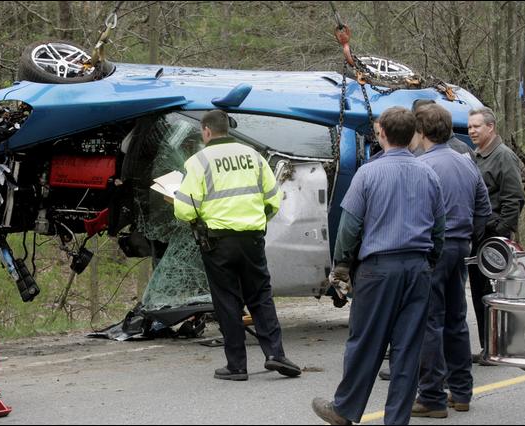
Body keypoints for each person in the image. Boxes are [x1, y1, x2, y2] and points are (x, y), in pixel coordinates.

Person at [312, 107, 445, 425]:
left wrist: (342, 263)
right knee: (407, 348)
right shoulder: (429, 174)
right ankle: (396, 420)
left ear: (381, 133)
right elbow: (439, 227)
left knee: (364, 342)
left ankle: (344, 409)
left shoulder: (368, 174)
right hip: (417, 269)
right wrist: (429, 260)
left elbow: (349, 226)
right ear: (413, 134)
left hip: (378, 269)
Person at [173, 109, 301, 381]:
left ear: (206, 131)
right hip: (252, 238)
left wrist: (195, 215)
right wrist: (256, 220)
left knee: (227, 301)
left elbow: (184, 210)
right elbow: (273, 201)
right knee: (261, 296)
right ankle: (276, 354)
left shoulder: (199, 161)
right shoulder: (253, 156)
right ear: (227, 130)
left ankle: (237, 365)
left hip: (217, 242)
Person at [408, 104, 491, 418]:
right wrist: (469, 235)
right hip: (460, 247)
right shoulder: (466, 162)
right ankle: (462, 391)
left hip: (432, 249)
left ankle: (431, 396)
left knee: (430, 321)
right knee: (456, 319)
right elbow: (483, 208)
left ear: (422, 132)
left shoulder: (421, 165)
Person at [467, 106, 525, 362]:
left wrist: (498, 234)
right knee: (480, 295)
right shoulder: (476, 157)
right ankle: (486, 347)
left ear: (490, 127)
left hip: (493, 240)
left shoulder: (504, 156)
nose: (471, 131)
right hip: (476, 237)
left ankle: (496, 348)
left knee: (493, 296)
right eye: (469, 127)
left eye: (476, 126)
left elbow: (514, 199)